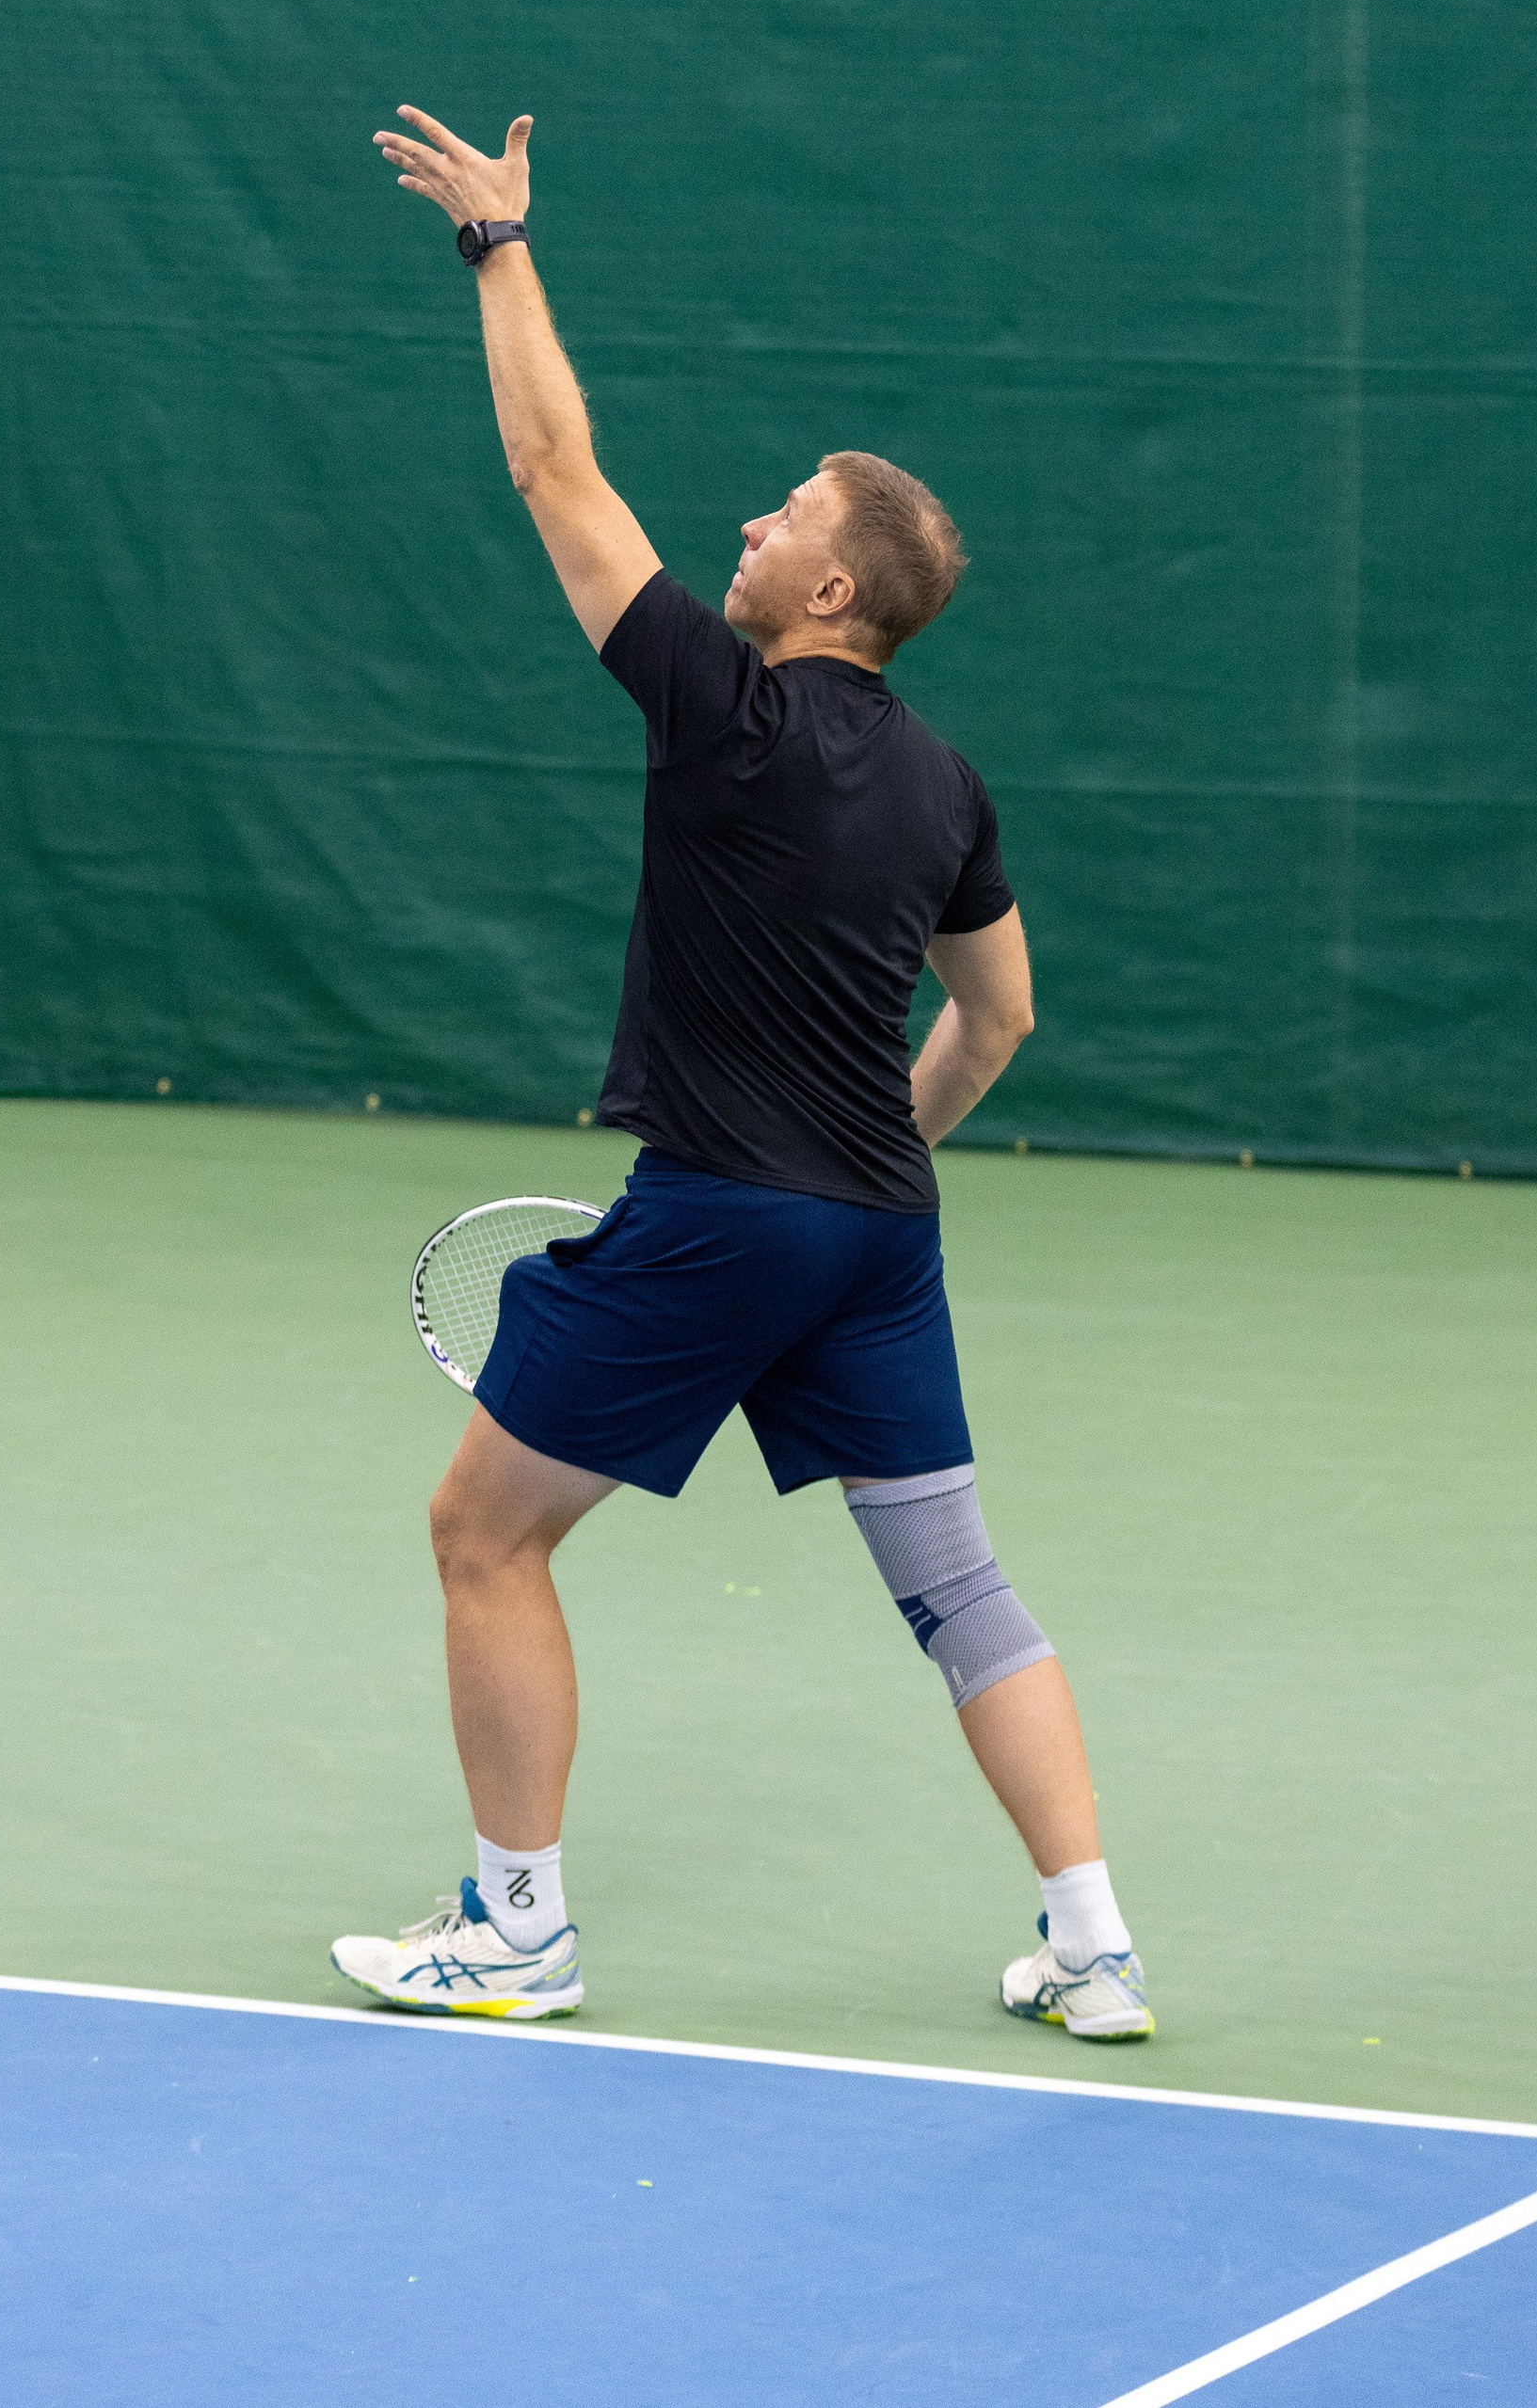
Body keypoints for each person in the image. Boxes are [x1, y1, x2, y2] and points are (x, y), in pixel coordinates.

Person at [329, 105, 1151, 2044]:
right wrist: (871, 1162)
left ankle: (512, 1927)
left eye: (783, 519)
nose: (749, 528)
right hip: (875, 1226)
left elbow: (551, 461)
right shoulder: (946, 785)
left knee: (481, 1529)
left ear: (835, 599)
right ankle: (1094, 1941)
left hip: (725, 1206)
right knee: (956, 1583)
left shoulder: (726, 713)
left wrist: (496, 244)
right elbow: (999, 1017)